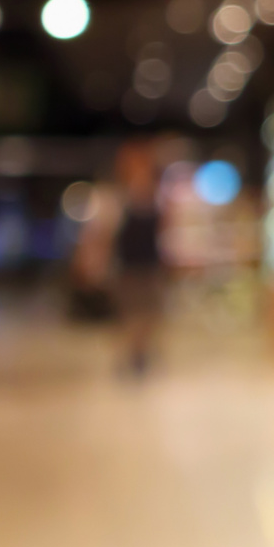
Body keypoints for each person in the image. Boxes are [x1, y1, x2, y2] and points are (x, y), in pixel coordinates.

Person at [108, 140, 167, 376]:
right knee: (129, 314)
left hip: (150, 265)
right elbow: (109, 234)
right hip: (128, 267)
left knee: (149, 313)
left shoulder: (156, 196)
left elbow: (163, 234)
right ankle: (132, 353)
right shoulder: (118, 197)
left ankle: (142, 352)